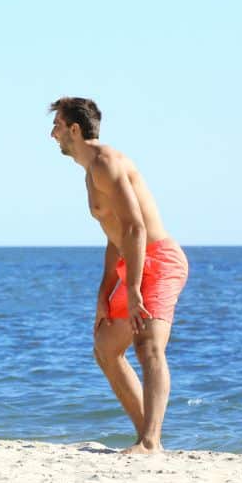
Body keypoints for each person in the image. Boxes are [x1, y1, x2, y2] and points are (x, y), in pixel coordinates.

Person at [49, 97, 189, 454]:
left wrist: (134, 288)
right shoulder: (89, 173)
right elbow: (116, 238)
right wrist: (104, 293)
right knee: (105, 347)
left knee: (149, 346)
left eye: (58, 126)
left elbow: (136, 228)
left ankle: (149, 442)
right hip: (132, 262)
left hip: (157, 260)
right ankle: (148, 436)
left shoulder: (107, 164)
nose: (53, 134)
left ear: (74, 129)